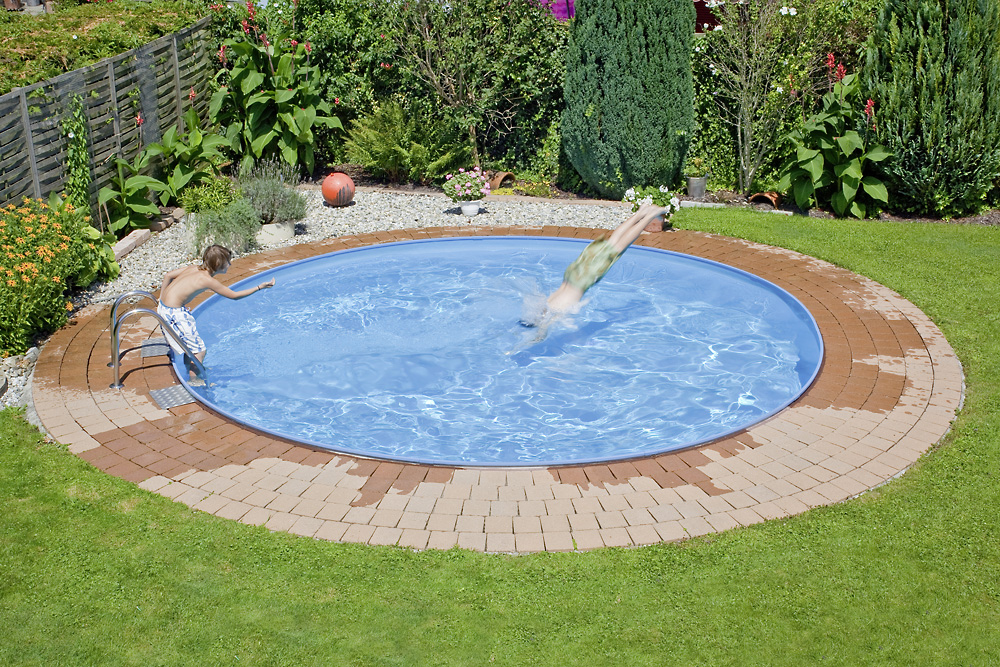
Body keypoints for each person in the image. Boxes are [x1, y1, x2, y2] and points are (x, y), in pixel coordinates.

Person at [521, 204, 669, 334]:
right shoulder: (547, 302)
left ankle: (649, 216)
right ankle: (641, 212)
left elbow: (545, 330)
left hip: (585, 279)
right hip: (573, 272)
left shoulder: (555, 313)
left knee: (618, 247)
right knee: (611, 242)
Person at [157, 245, 274, 381]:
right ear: (218, 264)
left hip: (164, 308)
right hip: (175, 314)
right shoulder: (206, 280)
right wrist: (260, 287)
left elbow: (168, 275)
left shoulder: (193, 268)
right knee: (200, 351)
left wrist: (161, 298)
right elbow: (234, 295)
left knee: (189, 346)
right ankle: (195, 382)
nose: (230, 264)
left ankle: (192, 370)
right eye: (228, 262)